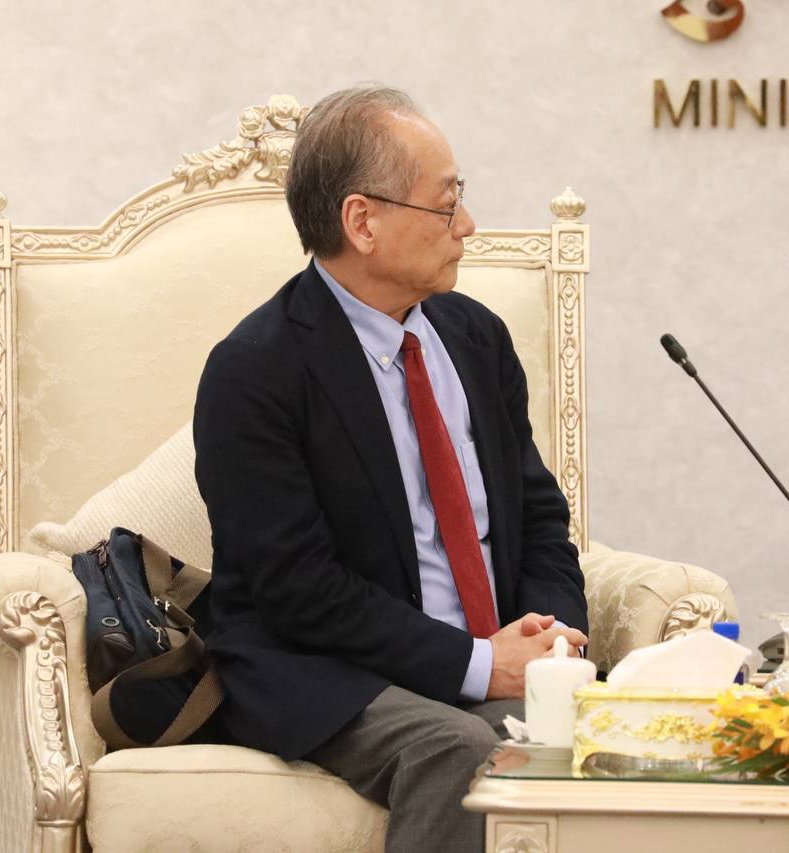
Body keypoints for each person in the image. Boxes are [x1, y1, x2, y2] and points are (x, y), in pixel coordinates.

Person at [193, 85, 588, 853]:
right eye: (446, 205)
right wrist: (481, 664)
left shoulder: (476, 338)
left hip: (491, 647)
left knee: (605, 729)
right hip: (327, 667)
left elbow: (539, 516)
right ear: (362, 222)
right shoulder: (255, 370)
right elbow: (298, 589)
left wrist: (554, 641)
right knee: (458, 746)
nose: (467, 226)